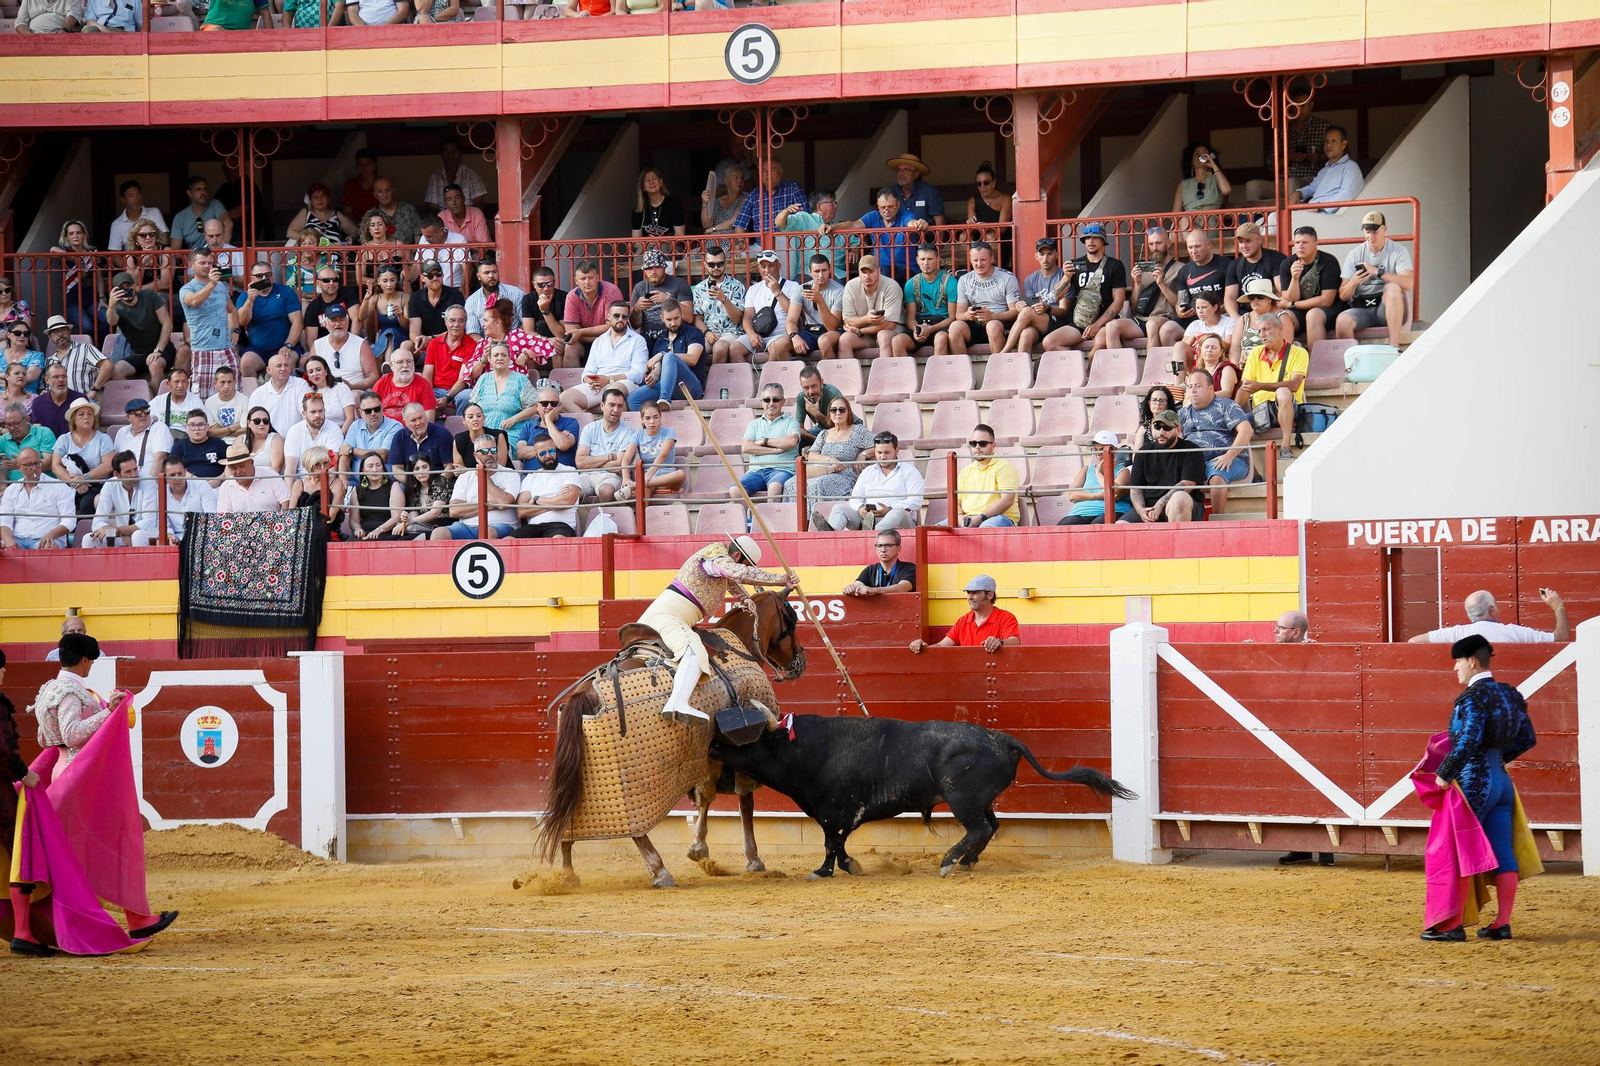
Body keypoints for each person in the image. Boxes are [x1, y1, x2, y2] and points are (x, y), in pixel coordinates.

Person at [28, 631, 179, 941]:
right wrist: (109, 713)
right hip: (80, 779)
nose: (90, 668)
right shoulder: (71, 692)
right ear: (84, 661)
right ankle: (134, 919)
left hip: (63, 771)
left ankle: (132, 917)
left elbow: (46, 740)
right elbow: (72, 735)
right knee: (108, 844)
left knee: (79, 852)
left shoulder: (48, 691)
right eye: (90, 663)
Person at [1421, 635, 1538, 942]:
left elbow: (1469, 740)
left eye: (1458, 662)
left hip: (1475, 783)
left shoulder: (1471, 698)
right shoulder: (1510, 694)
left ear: (1472, 661)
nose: (1455, 669)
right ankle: (1501, 923)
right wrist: (1497, 758)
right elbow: (1527, 739)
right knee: (1503, 850)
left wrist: (1445, 773)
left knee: (1457, 849)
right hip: (1502, 784)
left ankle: (1452, 926)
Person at [636, 535, 798, 723]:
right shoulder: (718, 560)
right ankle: (677, 703)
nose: (745, 568)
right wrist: (781, 580)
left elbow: (729, 580)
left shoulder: (715, 558)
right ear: (737, 556)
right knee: (694, 653)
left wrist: (744, 598)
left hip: (671, 617)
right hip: (667, 618)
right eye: (746, 564)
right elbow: (738, 573)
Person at [1043, 223, 1128, 353]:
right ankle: (1079, 370)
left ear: (1103, 240)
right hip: (1078, 321)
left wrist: (1097, 325)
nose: (1090, 241)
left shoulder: (1114, 265)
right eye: (1087, 238)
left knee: (1099, 346)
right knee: (1049, 342)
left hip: (1104, 322)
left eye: (1095, 237)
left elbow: (1118, 302)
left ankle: (1090, 371)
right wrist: (1066, 277)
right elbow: (1057, 295)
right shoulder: (1075, 264)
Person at [791, 394, 873, 527]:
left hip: (844, 475)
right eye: (833, 410)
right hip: (823, 471)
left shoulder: (858, 431)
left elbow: (880, 445)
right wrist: (830, 459)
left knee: (821, 483)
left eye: (842, 409)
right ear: (829, 413)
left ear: (848, 412)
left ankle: (817, 525)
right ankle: (795, 524)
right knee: (792, 482)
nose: (837, 413)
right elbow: (812, 455)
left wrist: (863, 453)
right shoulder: (824, 433)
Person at [1336, 211, 1414, 350]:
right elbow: (1342, 295)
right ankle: (1353, 362)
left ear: (1384, 229)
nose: (1370, 236)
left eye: (1375, 231)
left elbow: (1408, 283)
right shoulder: (1355, 254)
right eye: (1367, 231)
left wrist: (1378, 272)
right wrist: (1354, 281)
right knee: (1342, 321)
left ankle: (1393, 347)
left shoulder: (1398, 250)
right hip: (1361, 309)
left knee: (1393, 287)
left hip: (1386, 309)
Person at [1179, 369, 1253, 513]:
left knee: (1217, 476)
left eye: (1198, 386)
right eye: (1190, 386)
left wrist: (1229, 456)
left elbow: (1246, 430)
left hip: (1228, 459)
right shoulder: (1183, 413)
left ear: (1211, 388)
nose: (1193, 390)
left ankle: (1217, 520)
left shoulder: (1227, 405)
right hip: (1194, 462)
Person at [1238, 315, 1309, 459]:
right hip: (1261, 411)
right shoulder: (1255, 353)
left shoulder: (1299, 352)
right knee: (1232, 424)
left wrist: (1260, 386)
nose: (1262, 335)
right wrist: (1232, 410)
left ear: (1280, 329)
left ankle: (1285, 447)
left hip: (1289, 407)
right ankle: (1253, 470)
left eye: (1266, 329)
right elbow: (1245, 388)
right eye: (1259, 331)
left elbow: (1295, 385)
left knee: (1283, 392)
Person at [824, 430, 922, 532]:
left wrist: (889, 509)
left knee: (898, 511)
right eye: (879, 453)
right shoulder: (868, 472)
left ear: (897, 451)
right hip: (869, 518)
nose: (883, 457)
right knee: (839, 509)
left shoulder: (910, 471)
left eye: (887, 453)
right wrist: (860, 508)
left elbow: (916, 501)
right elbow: (854, 499)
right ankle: (831, 534)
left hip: (899, 519)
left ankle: (871, 533)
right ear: (874, 452)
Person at [1120, 410, 1205, 524]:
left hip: (1180, 506)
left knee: (1179, 498)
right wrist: (1141, 510)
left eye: (1167, 428)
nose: (1161, 432)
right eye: (1157, 426)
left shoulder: (1191, 450)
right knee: (1122, 525)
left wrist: (1160, 505)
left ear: (1178, 430)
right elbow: (1135, 488)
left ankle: (1178, 542)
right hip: (1149, 507)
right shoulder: (1144, 452)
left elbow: (1187, 484)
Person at [430, 435, 522, 540]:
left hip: (501, 525)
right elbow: (454, 510)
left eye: (493, 450)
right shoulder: (465, 477)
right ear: (475, 455)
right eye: (484, 451)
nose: (490, 454)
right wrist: (489, 505)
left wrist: (485, 476)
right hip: (467, 527)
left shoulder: (510, 473)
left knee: (488, 532)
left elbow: (503, 503)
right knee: (438, 533)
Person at [179, 248, 241, 399]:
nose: (207, 266)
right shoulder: (187, 288)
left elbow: (232, 310)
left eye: (209, 263)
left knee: (235, 394)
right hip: (203, 348)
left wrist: (235, 331)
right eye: (202, 263)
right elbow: (194, 301)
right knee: (202, 396)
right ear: (191, 265)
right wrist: (212, 284)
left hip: (227, 348)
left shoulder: (220, 287)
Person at [1410, 589, 1569, 645]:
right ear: (1492, 609)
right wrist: (1557, 606)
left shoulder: (1456, 634)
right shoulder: (1513, 632)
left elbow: (1413, 642)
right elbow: (1560, 639)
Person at [629, 298, 706, 411]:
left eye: (676, 318)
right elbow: (657, 370)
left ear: (682, 315)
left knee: (670, 357)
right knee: (633, 399)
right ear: (662, 318)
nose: (673, 323)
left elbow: (693, 359)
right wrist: (653, 378)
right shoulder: (661, 340)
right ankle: (656, 425)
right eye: (669, 319)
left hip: (691, 387)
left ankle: (664, 399)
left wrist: (663, 354)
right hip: (667, 385)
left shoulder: (694, 333)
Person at [909, 574, 1019, 653]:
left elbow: (1015, 641)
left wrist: (1000, 642)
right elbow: (942, 645)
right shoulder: (963, 621)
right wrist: (923, 647)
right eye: (968, 593)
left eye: (975, 593)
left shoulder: (1006, 617)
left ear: (990, 595)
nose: (970, 597)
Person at [1275, 226, 1343, 350]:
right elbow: (1288, 297)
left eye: (1305, 242)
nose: (1300, 246)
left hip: (1327, 310)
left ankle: (1317, 364)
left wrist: (1292, 304)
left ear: (1316, 244)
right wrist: (1295, 279)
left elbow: (1326, 300)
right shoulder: (1287, 263)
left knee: (1313, 315)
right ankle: (1283, 360)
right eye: (1297, 242)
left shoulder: (1328, 261)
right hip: (1299, 310)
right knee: (1284, 316)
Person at [104, 272, 175, 391]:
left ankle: (157, 404)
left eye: (129, 286)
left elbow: (167, 323)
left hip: (162, 350)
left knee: (154, 365)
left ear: (135, 286)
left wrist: (158, 350)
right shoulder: (117, 307)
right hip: (138, 354)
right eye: (121, 288)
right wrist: (110, 305)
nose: (126, 290)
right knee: (117, 370)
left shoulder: (149, 296)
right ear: (115, 291)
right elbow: (112, 321)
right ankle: (135, 401)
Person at [730, 250, 804, 362]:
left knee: (775, 348)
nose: (767, 270)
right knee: (734, 349)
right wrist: (751, 335)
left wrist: (777, 292)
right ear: (759, 269)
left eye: (771, 266)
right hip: (759, 333)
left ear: (779, 266)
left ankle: (767, 379)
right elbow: (747, 316)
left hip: (781, 334)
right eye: (763, 267)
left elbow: (793, 313)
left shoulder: (792, 286)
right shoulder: (753, 289)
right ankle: (747, 379)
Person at [998, 238, 1067, 355]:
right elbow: (1031, 306)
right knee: (1026, 334)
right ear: (1036, 256)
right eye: (1041, 254)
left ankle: (1004, 352)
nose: (1045, 259)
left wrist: (1047, 308)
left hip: (1059, 323)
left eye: (1049, 254)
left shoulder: (1064, 277)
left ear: (1056, 255)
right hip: (1038, 323)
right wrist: (1022, 306)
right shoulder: (1030, 280)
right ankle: (1023, 371)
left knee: (1026, 313)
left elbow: (1065, 312)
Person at [949, 242, 1020, 355]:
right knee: (955, 327)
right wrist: (967, 315)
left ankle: (1000, 369)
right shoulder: (964, 279)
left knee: (992, 326)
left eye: (983, 260)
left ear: (991, 258)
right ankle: (962, 371)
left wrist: (992, 316)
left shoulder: (1007, 278)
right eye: (975, 260)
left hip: (999, 323)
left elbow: (1015, 312)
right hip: (975, 324)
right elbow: (959, 315)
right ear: (970, 259)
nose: (979, 264)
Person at [847, 188, 929, 282]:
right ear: (878, 206)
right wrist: (832, 227)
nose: (886, 210)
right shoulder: (873, 216)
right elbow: (853, 225)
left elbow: (911, 222)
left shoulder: (905, 215)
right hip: (881, 272)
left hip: (907, 271)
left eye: (890, 206)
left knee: (886, 272)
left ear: (898, 204)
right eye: (883, 207)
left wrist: (919, 223)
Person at [510, 433, 583, 538]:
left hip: (560, 526)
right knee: (509, 541)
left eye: (551, 451)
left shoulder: (569, 471)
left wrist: (536, 500)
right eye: (543, 453)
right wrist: (556, 501)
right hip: (533, 527)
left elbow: (566, 501)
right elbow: (521, 511)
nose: (548, 456)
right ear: (536, 455)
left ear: (556, 449)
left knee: (557, 541)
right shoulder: (530, 478)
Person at [735, 386, 800, 503]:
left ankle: (771, 521)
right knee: (735, 490)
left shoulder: (791, 421)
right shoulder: (754, 424)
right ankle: (749, 521)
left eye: (775, 399)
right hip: (756, 472)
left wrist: (764, 441)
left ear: (783, 401)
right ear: (761, 402)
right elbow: (746, 447)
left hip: (782, 470)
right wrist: (775, 450)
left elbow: (791, 441)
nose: (771, 403)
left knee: (774, 488)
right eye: (766, 400)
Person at [574, 387, 637, 504]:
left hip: (610, 477)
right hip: (586, 475)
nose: (616, 410)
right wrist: (607, 457)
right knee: (568, 490)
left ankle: (606, 520)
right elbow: (580, 462)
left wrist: (591, 463)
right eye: (611, 405)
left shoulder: (628, 432)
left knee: (606, 491)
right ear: (602, 406)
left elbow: (619, 465)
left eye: (619, 406)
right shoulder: (590, 428)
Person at [52, 398, 114, 515]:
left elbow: (109, 464)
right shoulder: (64, 439)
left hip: (96, 484)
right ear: (73, 419)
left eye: (90, 414)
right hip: (69, 484)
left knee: (87, 504)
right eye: (81, 414)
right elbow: (55, 466)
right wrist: (74, 482)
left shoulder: (103, 439)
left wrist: (85, 478)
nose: (86, 417)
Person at [0, 448, 73, 548]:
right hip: (17, 539)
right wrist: (8, 540)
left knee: (49, 547)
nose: (34, 468)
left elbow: (69, 521)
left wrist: (51, 534)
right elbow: (5, 521)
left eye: (37, 464)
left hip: (48, 538)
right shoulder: (11, 490)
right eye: (28, 465)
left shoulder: (59, 487)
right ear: (19, 467)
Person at [838, 255, 906, 360]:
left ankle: (885, 375)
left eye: (871, 272)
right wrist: (866, 319)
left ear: (879, 271)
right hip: (864, 333)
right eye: (863, 272)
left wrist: (860, 331)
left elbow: (889, 324)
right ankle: (849, 376)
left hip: (891, 331)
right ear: (859, 273)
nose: (867, 276)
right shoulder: (851, 286)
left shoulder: (891, 286)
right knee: (844, 340)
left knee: (883, 336)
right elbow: (848, 320)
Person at [1057, 429, 1132, 525]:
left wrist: (1099, 473)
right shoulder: (1086, 469)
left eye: (1102, 450)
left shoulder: (1123, 471)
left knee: (1097, 526)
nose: (1098, 454)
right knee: (1063, 527)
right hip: (1080, 512)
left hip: (1112, 511)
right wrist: (1097, 496)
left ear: (1114, 451)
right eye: (1095, 450)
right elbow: (1072, 495)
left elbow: (1113, 493)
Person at [774, 190, 851, 280]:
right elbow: (779, 223)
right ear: (819, 206)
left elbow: (857, 241)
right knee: (797, 292)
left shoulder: (838, 226)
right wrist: (787, 211)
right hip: (808, 273)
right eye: (832, 203)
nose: (835, 206)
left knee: (843, 292)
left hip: (835, 274)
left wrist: (854, 251)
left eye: (835, 202)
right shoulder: (805, 218)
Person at [84, 450, 155, 548]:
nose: (134, 474)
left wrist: (118, 530)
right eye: (128, 472)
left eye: (135, 469)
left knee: (137, 535)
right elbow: (97, 522)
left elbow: (149, 523)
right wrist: (107, 528)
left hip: (146, 536)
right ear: (117, 474)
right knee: (88, 539)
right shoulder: (110, 484)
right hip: (121, 537)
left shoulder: (148, 481)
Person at [562, 259, 625, 367]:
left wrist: (581, 333)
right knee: (570, 346)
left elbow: (613, 325)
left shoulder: (611, 291)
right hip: (586, 342)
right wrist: (582, 335)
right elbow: (571, 332)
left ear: (597, 278)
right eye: (583, 279)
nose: (587, 282)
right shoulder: (572, 296)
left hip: (610, 339)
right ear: (576, 281)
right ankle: (571, 383)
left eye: (590, 278)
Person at [956, 424, 1020, 528]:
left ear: (993, 445)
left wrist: (980, 518)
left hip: (998, 517)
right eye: (973, 443)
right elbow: (957, 501)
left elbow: (1007, 500)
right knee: (933, 531)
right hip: (968, 518)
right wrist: (959, 517)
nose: (977, 447)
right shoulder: (965, 471)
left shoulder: (1004, 467)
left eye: (982, 443)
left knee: (985, 530)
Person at [1222, 222, 1287, 321]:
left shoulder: (1275, 259)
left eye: (1248, 241)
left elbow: (1281, 291)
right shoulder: (1235, 265)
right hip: (1245, 313)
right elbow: (1229, 298)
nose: (1244, 246)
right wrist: (1237, 319)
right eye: (1241, 242)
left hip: (1271, 311)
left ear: (1259, 240)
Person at [903, 244, 960, 355]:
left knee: (941, 338)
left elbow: (952, 317)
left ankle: (938, 372)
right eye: (922, 259)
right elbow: (910, 317)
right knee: (897, 341)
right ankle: (904, 372)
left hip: (941, 324)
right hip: (920, 324)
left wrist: (931, 329)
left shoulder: (950, 282)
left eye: (930, 259)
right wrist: (916, 329)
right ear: (917, 260)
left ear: (938, 259)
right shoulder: (911, 284)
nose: (926, 263)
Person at [1290, 126, 1363, 212]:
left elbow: (1347, 194)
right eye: (1326, 141)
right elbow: (1312, 188)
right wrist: (1298, 193)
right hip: (1312, 211)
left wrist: (1321, 205)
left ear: (1344, 144)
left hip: (1327, 214)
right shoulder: (1324, 171)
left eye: (1333, 141)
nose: (1328, 145)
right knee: (1274, 217)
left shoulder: (1350, 167)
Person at [628, 248, 694, 343]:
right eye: (649, 268)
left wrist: (669, 300)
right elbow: (634, 325)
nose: (653, 271)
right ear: (644, 270)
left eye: (657, 267)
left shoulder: (680, 284)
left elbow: (689, 317)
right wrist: (637, 309)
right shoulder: (639, 287)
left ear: (664, 267)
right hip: (648, 337)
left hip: (675, 334)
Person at [1172, 230, 1231, 333]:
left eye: (1197, 246)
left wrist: (1213, 312)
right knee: (1166, 330)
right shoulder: (1184, 271)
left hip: (1220, 316)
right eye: (1190, 247)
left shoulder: (1226, 265)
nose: (1193, 251)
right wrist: (1180, 311)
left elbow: (1232, 299)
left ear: (1208, 245)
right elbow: (1181, 301)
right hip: (1194, 319)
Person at [311, 304, 378, 391]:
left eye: (341, 319)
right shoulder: (317, 345)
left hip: (355, 390)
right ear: (326, 324)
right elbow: (310, 373)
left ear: (347, 321)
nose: (338, 324)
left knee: (354, 397)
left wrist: (353, 386)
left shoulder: (361, 344)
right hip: (326, 390)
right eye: (333, 320)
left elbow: (373, 376)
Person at [732, 160, 809, 236]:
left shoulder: (793, 188)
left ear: (780, 172)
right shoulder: (754, 194)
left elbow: (805, 216)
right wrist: (740, 241)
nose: (767, 174)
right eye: (764, 171)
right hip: (761, 245)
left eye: (772, 170)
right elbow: (740, 223)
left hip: (788, 243)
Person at [791, 255, 845, 361]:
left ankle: (829, 376)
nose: (821, 275)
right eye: (816, 271)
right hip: (810, 330)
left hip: (832, 332)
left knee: (824, 341)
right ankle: (795, 375)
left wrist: (820, 301)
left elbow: (832, 327)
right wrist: (794, 336)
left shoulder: (839, 290)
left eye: (824, 270)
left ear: (830, 270)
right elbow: (791, 321)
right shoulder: (800, 289)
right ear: (809, 272)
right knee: (780, 345)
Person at [154, 455, 218, 542]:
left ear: (185, 472)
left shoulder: (201, 485)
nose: (177, 478)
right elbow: (163, 526)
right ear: (165, 477)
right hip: (176, 538)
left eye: (180, 474)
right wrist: (170, 537)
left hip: (201, 537)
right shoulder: (160, 494)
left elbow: (211, 518)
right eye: (172, 475)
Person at [513, 385, 580, 469]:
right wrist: (553, 445)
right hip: (533, 477)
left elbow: (563, 445)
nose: (549, 407)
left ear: (559, 406)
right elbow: (521, 452)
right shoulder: (528, 426)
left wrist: (548, 420)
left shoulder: (570, 422)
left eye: (553, 404)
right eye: (544, 403)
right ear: (537, 406)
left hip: (562, 475)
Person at [1231, 278, 1293, 363]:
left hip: (1272, 366)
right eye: (1252, 297)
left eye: (1260, 296)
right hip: (1244, 367)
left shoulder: (1282, 317)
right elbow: (1235, 350)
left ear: (1269, 298)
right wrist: (1235, 367)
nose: (1255, 300)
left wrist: (1256, 363)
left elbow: (1285, 348)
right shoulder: (1244, 319)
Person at [216, 442, 291, 513]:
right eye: (234, 468)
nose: (238, 472)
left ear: (251, 463)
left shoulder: (272, 476)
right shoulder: (226, 486)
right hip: (240, 526)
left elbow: (286, 504)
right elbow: (224, 516)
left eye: (242, 466)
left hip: (272, 525)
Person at [283, 393, 345, 478]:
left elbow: (332, 467)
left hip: (325, 481)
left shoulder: (334, 429)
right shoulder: (294, 431)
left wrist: (327, 489)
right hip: (301, 483)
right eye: (313, 412)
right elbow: (290, 468)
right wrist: (290, 490)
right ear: (304, 414)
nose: (318, 415)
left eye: (320, 411)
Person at [341, 390, 402, 475]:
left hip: (385, 483)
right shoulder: (355, 426)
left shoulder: (395, 426)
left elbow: (383, 455)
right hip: (357, 482)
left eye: (376, 409)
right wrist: (343, 478)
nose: (373, 413)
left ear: (382, 408)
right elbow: (344, 454)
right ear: (361, 413)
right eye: (368, 411)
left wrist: (352, 450)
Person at [111, 397, 171, 482]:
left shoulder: (159, 427)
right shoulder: (122, 432)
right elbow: (117, 462)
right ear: (128, 417)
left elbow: (160, 458)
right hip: (125, 481)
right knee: (99, 496)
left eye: (146, 412)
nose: (143, 415)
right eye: (138, 413)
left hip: (148, 482)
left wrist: (150, 484)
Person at [359, 265, 412, 360]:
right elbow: (362, 316)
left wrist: (400, 316)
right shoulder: (376, 298)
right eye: (385, 281)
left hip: (401, 337)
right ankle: (387, 367)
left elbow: (407, 327)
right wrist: (366, 298)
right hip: (383, 338)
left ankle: (387, 365)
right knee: (387, 336)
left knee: (390, 333)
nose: (389, 284)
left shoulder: (404, 297)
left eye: (392, 280)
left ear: (396, 281)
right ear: (379, 282)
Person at [842, 526, 916, 595]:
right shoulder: (870, 570)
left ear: (898, 549)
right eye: (879, 546)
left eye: (888, 545)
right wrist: (852, 589)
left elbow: (902, 587)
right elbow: (858, 584)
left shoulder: (910, 568)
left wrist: (874, 590)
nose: (883, 550)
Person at [422, 136, 489, 213]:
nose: (450, 156)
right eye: (446, 152)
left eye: (453, 151)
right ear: (441, 155)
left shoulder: (472, 175)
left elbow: (479, 208)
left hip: (468, 222)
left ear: (460, 154)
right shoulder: (435, 177)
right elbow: (432, 208)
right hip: (443, 222)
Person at [518, 266, 569, 367]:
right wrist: (546, 340)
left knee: (557, 348)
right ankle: (531, 382)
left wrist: (545, 311)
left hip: (558, 340)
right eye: (541, 285)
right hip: (538, 339)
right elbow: (528, 330)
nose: (546, 289)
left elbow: (562, 334)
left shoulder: (564, 297)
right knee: (526, 350)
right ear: (534, 285)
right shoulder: (528, 299)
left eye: (550, 284)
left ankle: (557, 381)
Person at [410, 263, 466, 352]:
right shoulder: (415, 297)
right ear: (422, 278)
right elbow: (414, 329)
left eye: (438, 274)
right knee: (406, 345)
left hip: (449, 342)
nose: (435, 278)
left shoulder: (455, 295)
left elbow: (457, 328)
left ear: (442, 275)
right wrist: (418, 340)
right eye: (430, 276)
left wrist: (432, 339)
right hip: (424, 345)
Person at [390, 456, 451, 538]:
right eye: (417, 469)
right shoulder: (414, 489)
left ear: (430, 468)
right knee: (395, 538)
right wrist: (406, 519)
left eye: (425, 467)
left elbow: (435, 513)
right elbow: (413, 515)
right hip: (422, 526)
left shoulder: (440, 481)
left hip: (441, 526)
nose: (421, 472)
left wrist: (411, 521)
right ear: (412, 472)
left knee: (408, 540)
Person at [1173, 294, 1235, 374]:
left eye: (1204, 307)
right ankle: (1180, 383)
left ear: (1215, 307)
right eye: (1198, 308)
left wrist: (1203, 337)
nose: (1200, 311)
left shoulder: (1229, 322)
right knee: (1178, 345)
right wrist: (1194, 335)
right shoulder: (1195, 324)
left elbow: (1228, 346)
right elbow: (1182, 346)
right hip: (1196, 361)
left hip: (1218, 359)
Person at [346, 453, 401, 540]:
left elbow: (396, 516)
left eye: (378, 465)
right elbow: (354, 520)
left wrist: (379, 530)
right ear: (363, 470)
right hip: (366, 532)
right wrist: (357, 529)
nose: (375, 469)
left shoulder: (394, 486)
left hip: (387, 531)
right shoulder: (356, 490)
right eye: (370, 466)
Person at [168, 176, 231, 251]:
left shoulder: (215, 205)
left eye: (205, 189)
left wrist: (222, 251)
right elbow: (175, 250)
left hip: (217, 256)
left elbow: (228, 224)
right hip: (194, 258)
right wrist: (190, 259)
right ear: (189, 193)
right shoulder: (180, 217)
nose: (203, 192)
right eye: (198, 189)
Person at [389, 402, 453, 475]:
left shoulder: (442, 434)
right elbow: (397, 469)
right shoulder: (399, 437)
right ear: (405, 422)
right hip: (410, 482)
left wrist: (435, 485)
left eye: (420, 418)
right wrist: (412, 483)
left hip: (439, 482)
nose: (418, 423)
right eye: (413, 420)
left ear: (426, 416)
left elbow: (449, 467)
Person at [285, 183, 356, 247]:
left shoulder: (337, 214)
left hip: (336, 254)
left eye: (323, 196)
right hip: (313, 255)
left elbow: (356, 231)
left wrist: (351, 238)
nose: (319, 200)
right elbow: (290, 232)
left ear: (328, 199)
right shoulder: (305, 213)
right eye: (315, 197)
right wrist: (311, 241)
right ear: (311, 201)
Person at [106, 180, 167, 252]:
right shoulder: (117, 224)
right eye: (131, 196)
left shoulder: (154, 212)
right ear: (123, 200)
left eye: (138, 194)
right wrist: (130, 263)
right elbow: (114, 255)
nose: (136, 199)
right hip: (130, 261)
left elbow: (164, 239)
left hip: (155, 259)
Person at [302, 354, 357, 434]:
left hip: (344, 433)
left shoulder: (341, 388)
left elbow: (350, 417)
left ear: (326, 370)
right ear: (308, 376)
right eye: (311, 371)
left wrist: (339, 436)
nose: (315, 374)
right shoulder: (309, 395)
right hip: (321, 437)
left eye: (318, 369)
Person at [168, 409, 227, 482]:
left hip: (217, 486)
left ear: (208, 427)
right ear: (186, 428)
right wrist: (194, 479)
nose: (197, 428)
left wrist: (220, 479)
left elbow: (231, 465)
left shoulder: (219, 443)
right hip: (189, 484)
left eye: (201, 425)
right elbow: (172, 466)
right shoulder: (180, 446)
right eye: (192, 425)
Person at [448, 401, 509, 472]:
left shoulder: (498, 436)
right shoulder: (459, 439)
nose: (475, 419)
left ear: (484, 418)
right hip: (470, 481)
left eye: (479, 416)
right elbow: (459, 470)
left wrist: (468, 471)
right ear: (463, 421)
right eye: (470, 417)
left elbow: (500, 468)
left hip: (501, 478)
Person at [886, 153, 945, 225]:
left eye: (906, 170)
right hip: (898, 235)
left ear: (916, 174)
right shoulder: (891, 193)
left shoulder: (929, 192)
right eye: (899, 170)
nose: (901, 174)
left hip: (925, 235)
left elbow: (939, 222)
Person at [792, 364, 842, 450]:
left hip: (845, 429)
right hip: (822, 431)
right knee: (796, 440)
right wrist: (817, 440)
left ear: (821, 382)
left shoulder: (833, 394)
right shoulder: (801, 397)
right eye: (806, 388)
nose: (810, 392)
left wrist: (817, 414)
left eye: (814, 386)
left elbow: (841, 426)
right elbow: (799, 428)